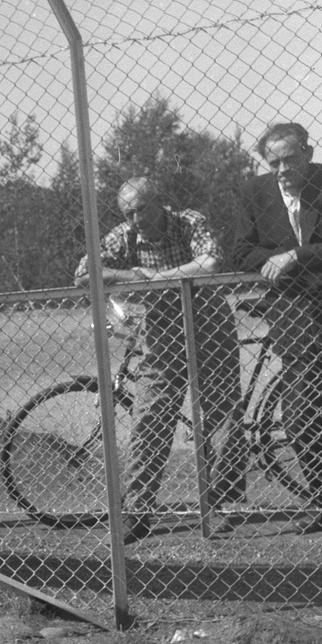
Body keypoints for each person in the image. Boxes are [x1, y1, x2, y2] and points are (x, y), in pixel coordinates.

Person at [75, 177, 246, 544]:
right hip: (162, 332)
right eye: (128, 213)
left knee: (222, 414)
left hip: (208, 324)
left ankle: (221, 506)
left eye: (141, 209)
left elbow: (210, 261)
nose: (136, 219)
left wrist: (157, 278)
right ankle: (137, 512)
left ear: (159, 203)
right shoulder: (123, 237)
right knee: (149, 418)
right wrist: (132, 276)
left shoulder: (189, 222)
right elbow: (84, 273)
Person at [233, 122, 322, 534]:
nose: (281, 169)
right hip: (294, 316)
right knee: (302, 416)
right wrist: (271, 262)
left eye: (290, 159)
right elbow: (241, 250)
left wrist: (294, 256)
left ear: (307, 154)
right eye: (273, 161)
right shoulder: (254, 192)